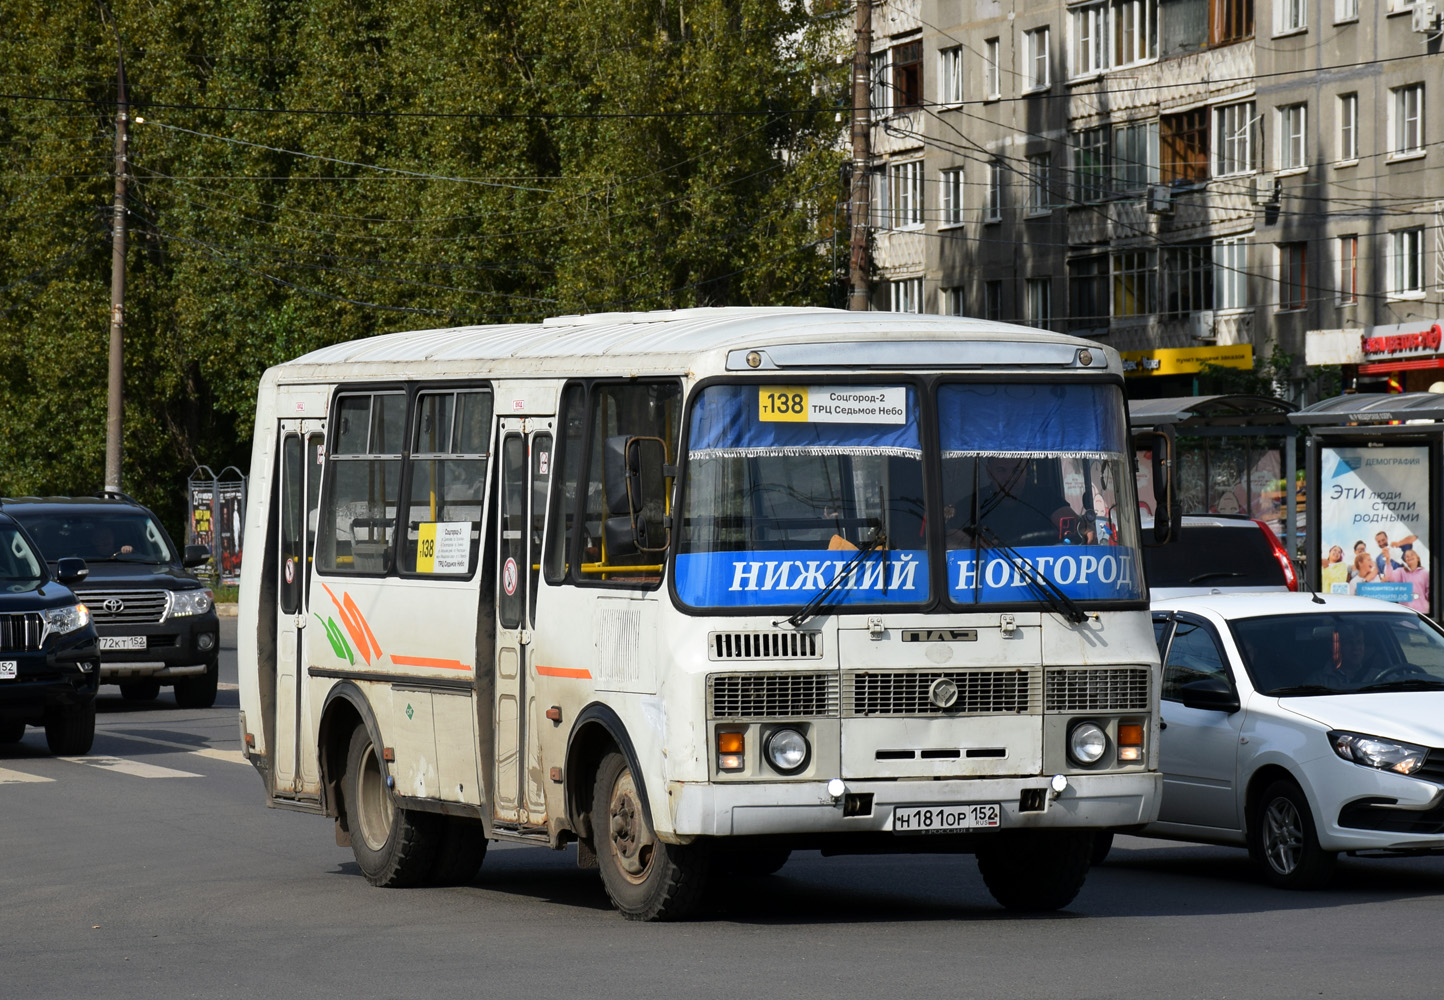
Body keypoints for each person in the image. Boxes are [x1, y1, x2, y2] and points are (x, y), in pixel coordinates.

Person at [950, 455, 1091, 548]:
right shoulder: (973, 503)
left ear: (1026, 471)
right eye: (1001, 470)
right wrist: (971, 543)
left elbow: (1071, 523)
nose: (1010, 477)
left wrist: (1084, 532)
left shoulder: (1045, 496)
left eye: (1016, 470)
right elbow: (947, 535)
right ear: (989, 472)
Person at [1385, 548, 1431, 614]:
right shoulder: (1400, 572)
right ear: (1405, 560)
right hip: (1406, 613)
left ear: (1417, 558)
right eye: (1407, 556)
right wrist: (1387, 560)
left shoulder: (1425, 573)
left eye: (1412, 555)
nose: (1409, 557)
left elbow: (1429, 592)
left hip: (1423, 612)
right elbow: (1389, 577)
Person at [1326, 624, 1371, 689]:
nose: (1356, 647)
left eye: (1359, 642)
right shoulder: (1319, 681)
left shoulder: (1381, 677)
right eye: (1349, 642)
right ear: (1336, 647)